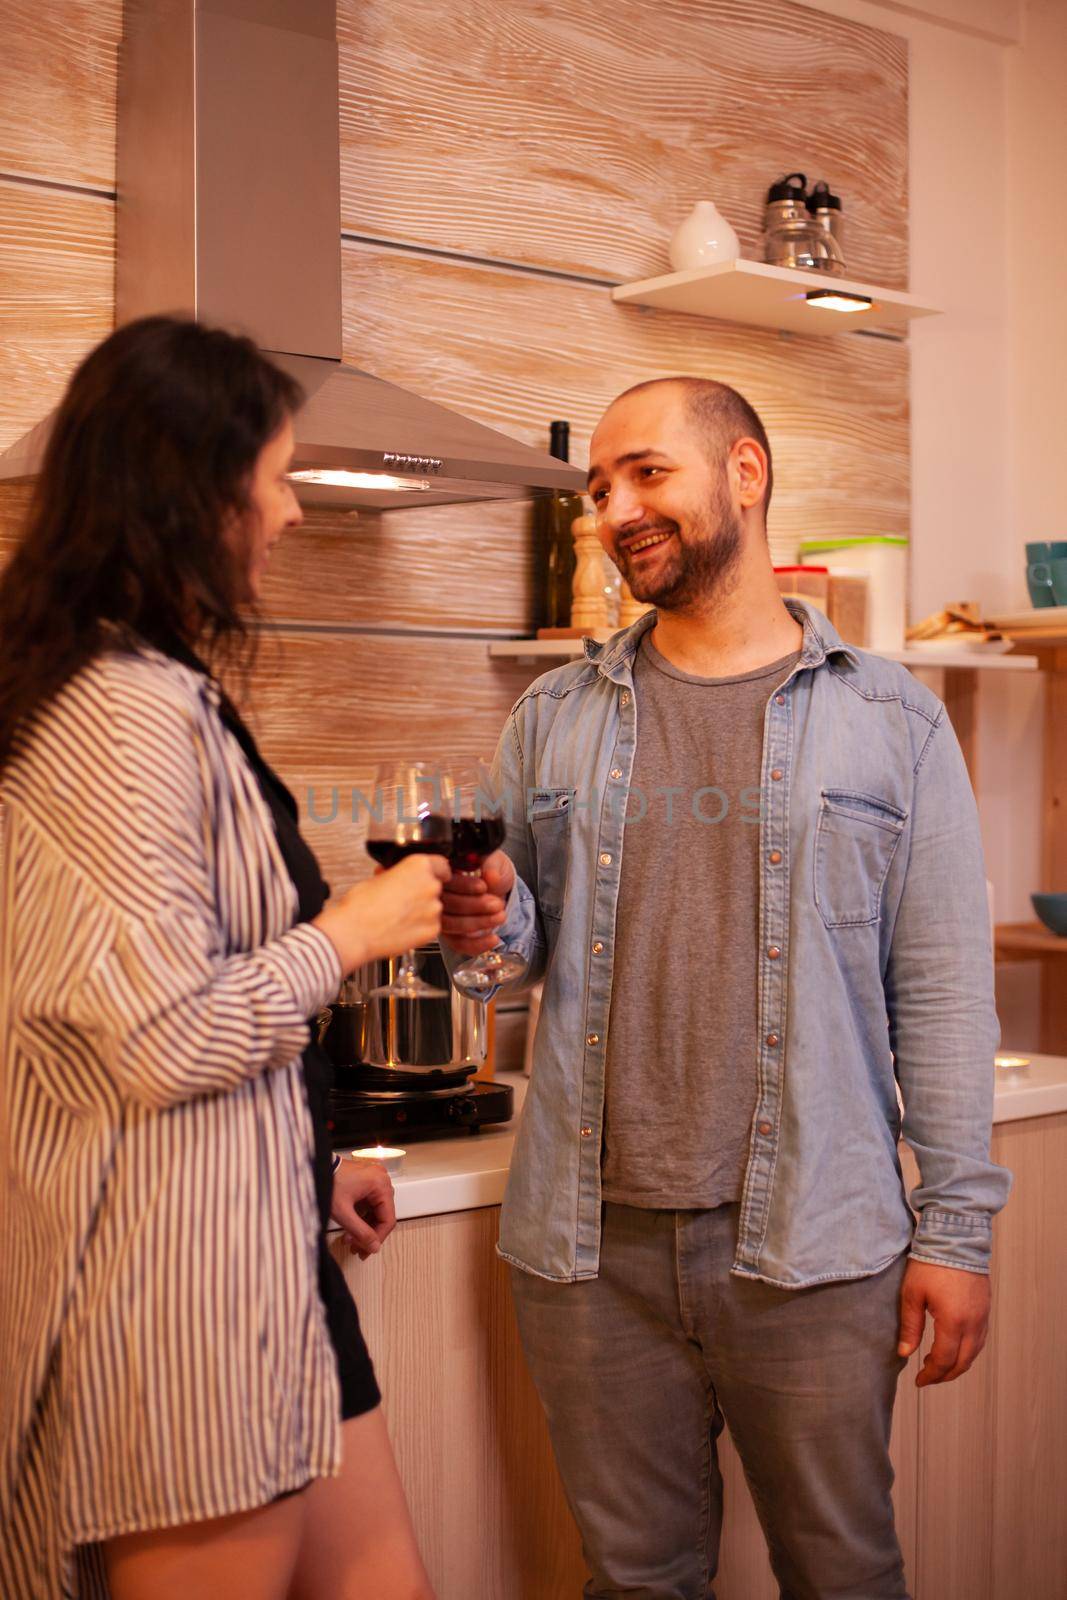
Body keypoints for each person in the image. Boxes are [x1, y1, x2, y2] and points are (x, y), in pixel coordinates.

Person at [441, 376, 1012, 1600]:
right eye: (599, 488)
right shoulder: (551, 717)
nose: (615, 510)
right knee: (634, 1581)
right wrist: (479, 921)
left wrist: (955, 1231)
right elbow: (512, 954)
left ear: (744, 473)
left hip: (815, 1243)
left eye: (647, 472)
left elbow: (946, 994)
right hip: (587, 1253)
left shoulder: (892, 724)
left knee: (842, 1574)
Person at [0, 316, 447, 1600]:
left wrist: (316, 1161)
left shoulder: (146, 681)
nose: (293, 513)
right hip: (177, 1299)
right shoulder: (115, 707)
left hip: (267, 1253)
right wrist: (347, 935)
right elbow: (156, 1034)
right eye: (279, 477)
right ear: (199, 490)